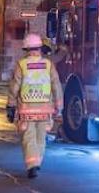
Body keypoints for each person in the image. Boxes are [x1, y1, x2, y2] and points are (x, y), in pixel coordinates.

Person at [6, 34, 63, 179]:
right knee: (41, 136)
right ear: (40, 48)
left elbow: (14, 87)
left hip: (27, 110)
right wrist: (59, 105)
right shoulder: (48, 65)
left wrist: (11, 106)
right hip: (44, 109)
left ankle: (32, 165)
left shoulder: (22, 65)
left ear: (26, 49)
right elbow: (56, 85)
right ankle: (37, 161)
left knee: (29, 137)